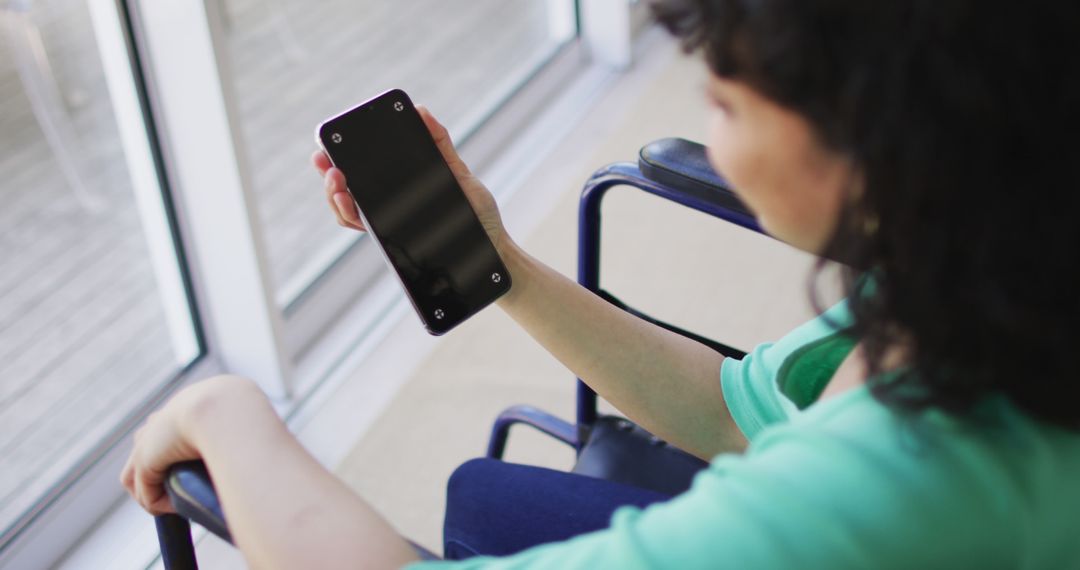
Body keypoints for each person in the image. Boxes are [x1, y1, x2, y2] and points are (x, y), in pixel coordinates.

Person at [121, 0, 1080, 567]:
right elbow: (732, 409)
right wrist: (498, 259)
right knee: (483, 494)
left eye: (726, 97)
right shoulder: (985, 266)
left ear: (880, 144)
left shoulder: (910, 479)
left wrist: (226, 411)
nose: (707, 115)